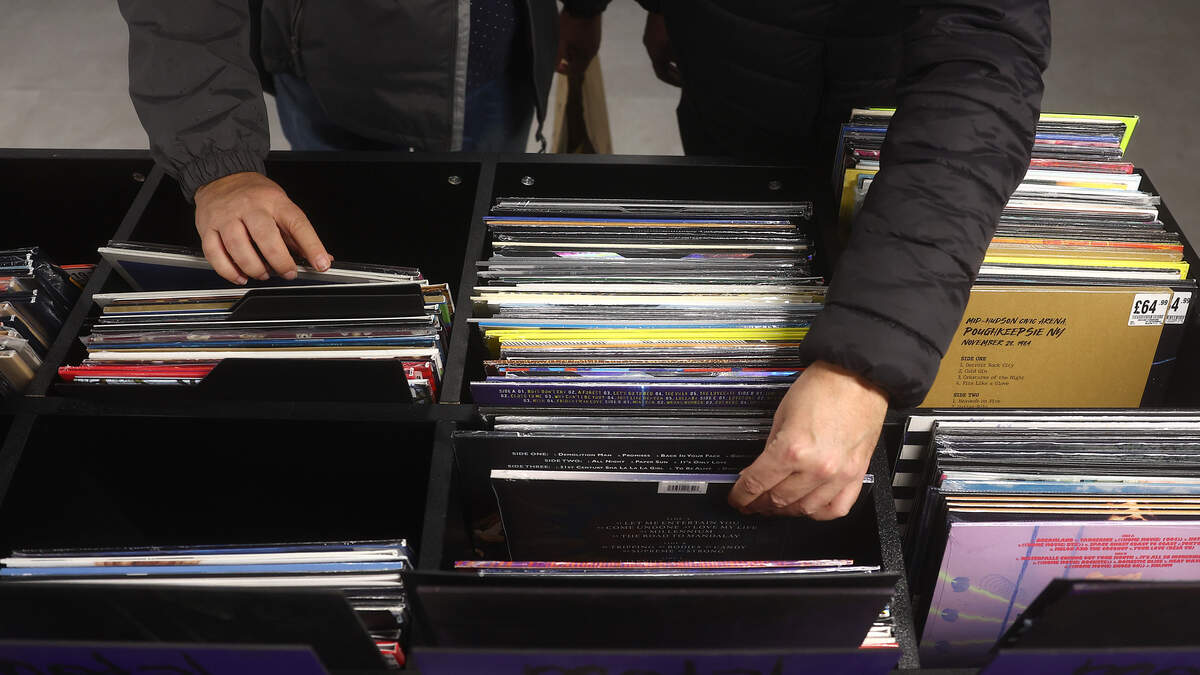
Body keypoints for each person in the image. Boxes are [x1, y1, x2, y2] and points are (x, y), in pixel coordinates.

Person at [632, 0, 1051, 520]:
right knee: (731, 217)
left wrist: (862, 365)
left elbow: (983, 64)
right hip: (722, 57)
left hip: (883, 83)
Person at [117, 0, 605, 284]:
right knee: (335, 248)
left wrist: (585, 8)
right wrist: (221, 163)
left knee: (476, 250)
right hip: (324, 68)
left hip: (501, 57)